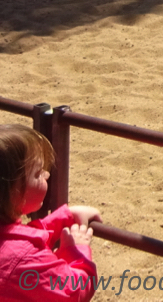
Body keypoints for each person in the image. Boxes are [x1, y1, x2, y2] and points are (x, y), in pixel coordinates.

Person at [0, 124, 102, 301]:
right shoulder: (25, 259)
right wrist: (76, 251)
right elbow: (74, 292)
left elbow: (12, 238)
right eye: (38, 173)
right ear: (11, 191)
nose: (47, 175)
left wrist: (62, 219)